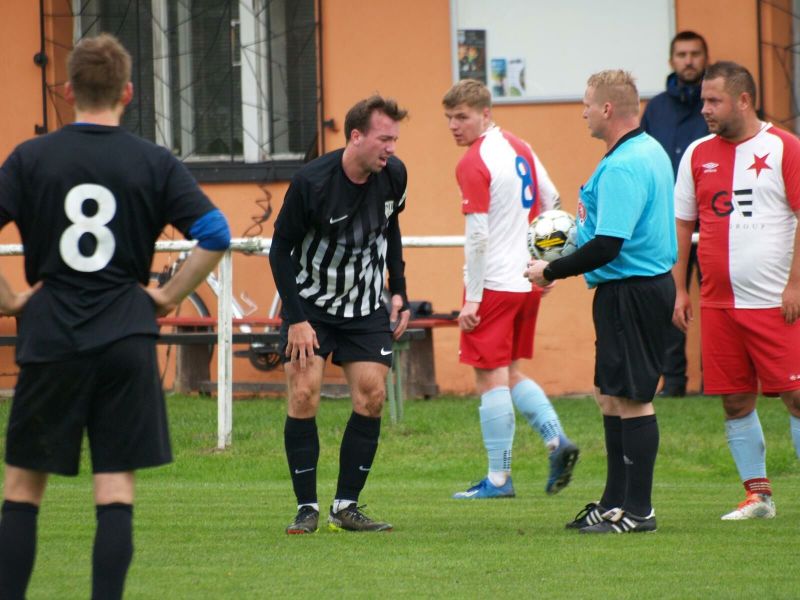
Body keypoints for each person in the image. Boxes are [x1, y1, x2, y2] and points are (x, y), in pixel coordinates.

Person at [0, 33, 229, 599]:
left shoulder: (31, 158)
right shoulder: (152, 161)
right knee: (115, 488)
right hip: (125, 331)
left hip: (51, 331)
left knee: (24, 488)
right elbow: (216, 233)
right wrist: (168, 294)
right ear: (128, 92)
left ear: (67, 89)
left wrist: (8, 300)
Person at [526, 70, 676, 533]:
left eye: (588, 103)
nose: (583, 111)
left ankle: (639, 511)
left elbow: (609, 244)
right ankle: (615, 501)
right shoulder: (643, 151)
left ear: (608, 109)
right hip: (623, 291)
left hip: (633, 291)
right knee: (610, 396)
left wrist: (549, 269)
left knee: (632, 399)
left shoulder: (625, 164)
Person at [269, 95, 410, 534]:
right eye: (384, 138)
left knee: (372, 397)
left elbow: (392, 231)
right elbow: (278, 251)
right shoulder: (311, 182)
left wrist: (399, 290)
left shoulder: (395, 176)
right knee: (304, 394)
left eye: (394, 139)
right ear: (356, 136)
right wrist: (296, 318)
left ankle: (345, 506)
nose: (391, 148)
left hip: (365, 306)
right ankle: (306, 508)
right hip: (309, 306)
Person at [673, 61, 800, 520]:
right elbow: (684, 224)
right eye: (703, 100)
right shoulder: (696, 154)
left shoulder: (785, 147)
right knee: (734, 398)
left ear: (743, 100)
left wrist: (795, 284)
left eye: (714, 100)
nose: (704, 108)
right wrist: (680, 291)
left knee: (797, 396)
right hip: (719, 303)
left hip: (774, 303)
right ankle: (758, 497)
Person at [441, 79, 579, 500]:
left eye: (462, 117)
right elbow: (553, 200)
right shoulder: (521, 146)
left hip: (495, 285)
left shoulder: (473, 161)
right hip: (524, 281)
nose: (454, 125)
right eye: (448, 118)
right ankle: (556, 441)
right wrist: (547, 266)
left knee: (490, 378)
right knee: (510, 372)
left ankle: (499, 479)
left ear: (485, 113)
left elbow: (478, 237)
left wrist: (472, 298)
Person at [642, 30, 710, 397]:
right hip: (670, 222)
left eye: (695, 54)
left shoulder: (715, 103)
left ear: (705, 58)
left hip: (713, 218)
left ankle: (714, 378)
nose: (688, 61)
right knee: (671, 295)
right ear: (671, 60)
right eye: (681, 54)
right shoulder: (656, 109)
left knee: (714, 299)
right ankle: (675, 381)